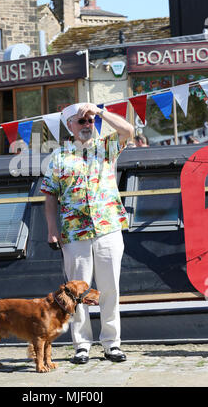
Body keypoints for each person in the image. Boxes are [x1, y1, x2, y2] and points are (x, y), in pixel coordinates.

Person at [41, 102, 134, 365]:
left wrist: (99, 111)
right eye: (81, 121)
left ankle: (111, 344)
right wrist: (51, 230)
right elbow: (50, 197)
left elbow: (128, 130)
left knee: (110, 288)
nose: (86, 125)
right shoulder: (59, 157)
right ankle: (81, 345)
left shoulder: (106, 146)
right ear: (70, 126)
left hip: (108, 228)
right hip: (74, 232)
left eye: (90, 121)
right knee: (75, 291)